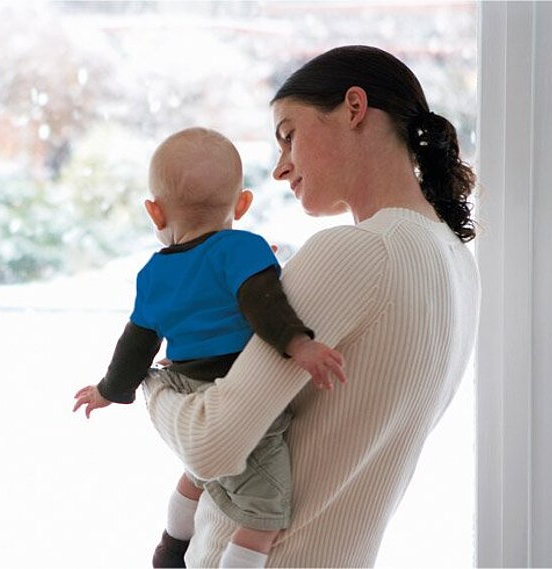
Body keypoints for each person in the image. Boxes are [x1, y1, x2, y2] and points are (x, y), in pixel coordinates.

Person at [143, 45, 482, 567]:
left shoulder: (358, 251)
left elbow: (211, 443)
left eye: (288, 136)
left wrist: (151, 384)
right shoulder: (455, 258)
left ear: (353, 108)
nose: (279, 169)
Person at [72, 127, 347, 568]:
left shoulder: (152, 274)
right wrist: (299, 345)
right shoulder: (242, 247)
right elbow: (264, 304)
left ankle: (169, 549)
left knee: (196, 474)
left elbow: (136, 345)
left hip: (183, 382)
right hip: (233, 388)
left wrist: (109, 390)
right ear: (242, 205)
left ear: (155, 213)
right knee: (265, 512)